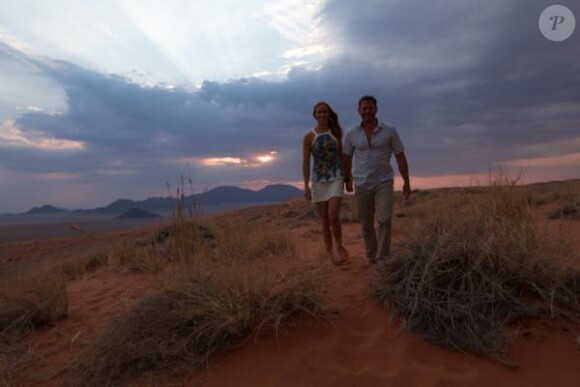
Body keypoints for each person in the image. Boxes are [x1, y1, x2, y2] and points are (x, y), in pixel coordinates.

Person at [342, 95, 411, 264]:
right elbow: (346, 157)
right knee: (366, 224)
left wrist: (406, 182)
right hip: (362, 183)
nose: (367, 111)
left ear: (376, 109)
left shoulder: (389, 130)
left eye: (370, 108)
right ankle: (371, 256)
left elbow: (400, 156)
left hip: (384, 181)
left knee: (385, 219)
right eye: (364, 108)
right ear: (359, 111)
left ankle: (383, 258)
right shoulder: (351, 133)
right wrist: (347, 178)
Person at [302, 101, 349, 265]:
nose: (322, 115)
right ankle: (330, 253)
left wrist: (348, 178)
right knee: (324, 220)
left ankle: (339, 246)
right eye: (319, 112)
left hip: (336, 176)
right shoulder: (309, 137)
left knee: (333, 215)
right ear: (315, 115)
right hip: (319, 180)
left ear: (329, 114)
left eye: (325, 112)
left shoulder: (336, 132)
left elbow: (342, 155)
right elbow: (306, 162)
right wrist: (306, 185)